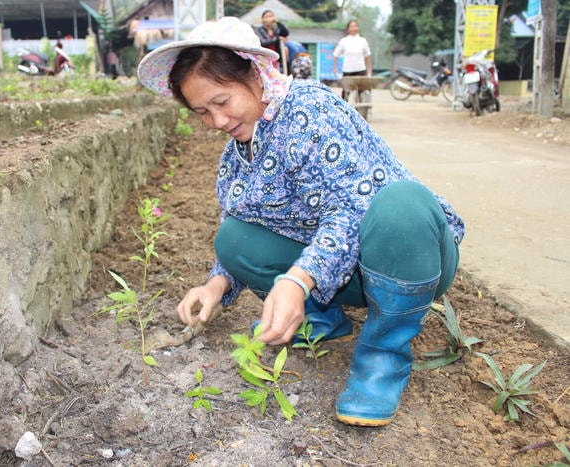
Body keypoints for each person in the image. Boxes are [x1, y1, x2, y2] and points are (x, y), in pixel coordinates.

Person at [137, 17, 464, 427]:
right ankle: (319, 318)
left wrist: (296, 280)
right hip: (347, 273)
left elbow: (352, 210)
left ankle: (383, 357)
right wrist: (216, 285)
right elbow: (244, 222)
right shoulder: (239, 151)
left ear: (256, 75)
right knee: (233, 239)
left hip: (411, 255)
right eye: (202, 112)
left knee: (400, 202)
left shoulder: (312, 110)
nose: (216, 121)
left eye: (222, 102)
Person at [333, 20, 372, 99]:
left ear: (358, 28)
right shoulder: (344, 41)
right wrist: (335, 68)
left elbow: (368, 56)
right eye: (351, 26)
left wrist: (369, 71)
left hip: (361, 70)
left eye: (355, 26)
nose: (354, 28)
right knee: (346, 93)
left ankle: (363, 109)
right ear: (348, 29)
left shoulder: (362, 41)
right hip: (348, 71)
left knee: (363, 91)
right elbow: (335, 54)